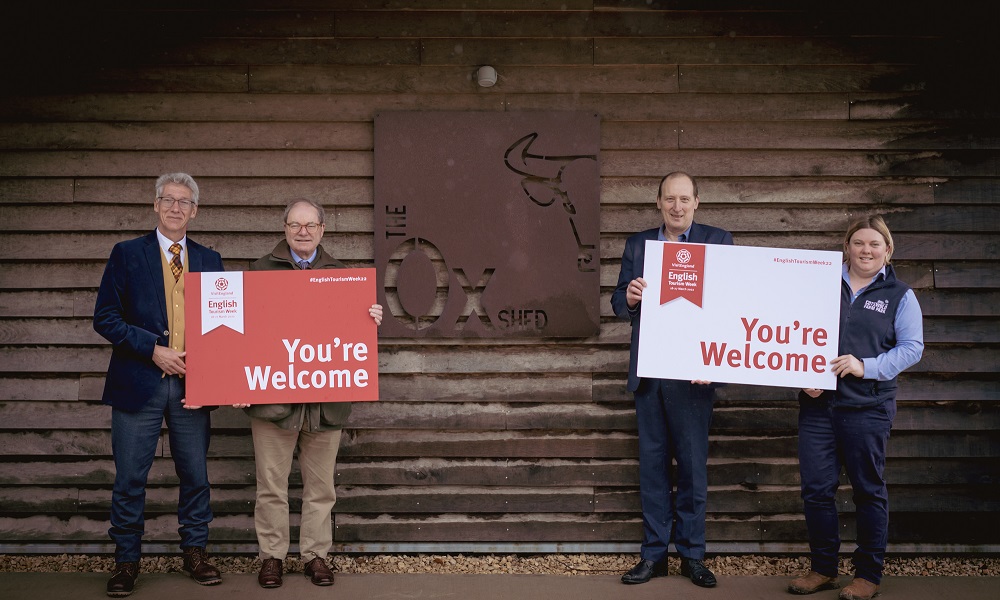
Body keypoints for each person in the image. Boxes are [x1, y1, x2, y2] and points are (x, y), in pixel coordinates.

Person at [94, 173, 225, 597]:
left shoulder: (210, 259)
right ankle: (127, 562)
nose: (175, 208)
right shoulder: (127, 254)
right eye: (168, 200)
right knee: (130, 478)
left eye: (184, 202)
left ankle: (195, 553)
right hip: (139, 383)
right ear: (155, 205)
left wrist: (226, 372)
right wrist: (153, 349)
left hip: (194, 386)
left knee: (196, 476)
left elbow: (227, 327)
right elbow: (106, 318)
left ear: (195, 211)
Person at [246, 198, 383, 589]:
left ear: (322, 230)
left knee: (321, 488)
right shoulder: (259, 272)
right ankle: (272, 557)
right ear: (285, 229)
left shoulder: (343, 276)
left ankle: (315, 556)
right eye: (295, 224)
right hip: (272, 402)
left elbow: (352, 339)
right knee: (270, 486)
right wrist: (237, 381)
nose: (302, 231)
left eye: (310, 225)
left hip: (326, 405)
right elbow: (245, 334)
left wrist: (367, 319)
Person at [788, 216, 923, 600]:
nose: (866, 250)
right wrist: (801, 373)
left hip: (868, 408)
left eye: (875, 244)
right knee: (816, 491)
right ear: (847, 247)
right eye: (859, 243)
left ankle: (867, 575)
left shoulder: (900, 294)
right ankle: (823, 569)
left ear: (887, 250)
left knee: (868, 491)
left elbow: (912, 348)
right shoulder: (820, 284)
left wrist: (867, 366)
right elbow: (792, 329)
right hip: (818, 408)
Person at [611, 172, 733, 588]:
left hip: (695, 376)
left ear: (697, 201)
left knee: (693, 470)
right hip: (650, 374)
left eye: (685, 199)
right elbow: (616, 301)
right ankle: (654, 556)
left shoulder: (718, 241)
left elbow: (732, 301)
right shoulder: (638, 244)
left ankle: (693, 557)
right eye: (669, 199)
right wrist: (629, 297)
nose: (677, 206)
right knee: (653, 469)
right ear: (658, 203)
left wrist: (716, 362)